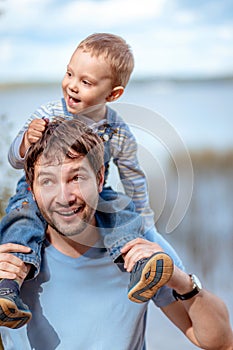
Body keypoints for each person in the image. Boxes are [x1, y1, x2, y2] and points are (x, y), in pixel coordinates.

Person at [0, 119, 232, 350]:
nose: (64, 196)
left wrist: (180, 281)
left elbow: (220, 342)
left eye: (77, 178)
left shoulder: (142, 247)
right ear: (32, 188)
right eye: (48, 181)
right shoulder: (9, 254)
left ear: (100, 179)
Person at [0, 33, 174, 329]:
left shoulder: (117, 130)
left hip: (93, 192)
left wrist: (145, 220)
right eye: (69, 73)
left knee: (121, 210)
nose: (72, 85)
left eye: (86, 82)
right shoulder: (48, 113)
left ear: (113, 94)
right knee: (23, 221)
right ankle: (8, 287)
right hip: (35, 190)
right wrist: (25, 142)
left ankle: (138, 264)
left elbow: (132, 175)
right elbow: (15, 160)